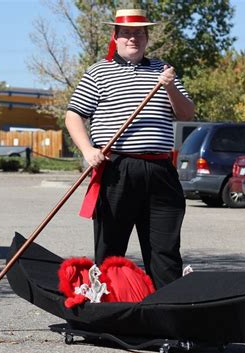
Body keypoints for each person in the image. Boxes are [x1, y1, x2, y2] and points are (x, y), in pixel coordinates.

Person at [65, 8, 195, 289]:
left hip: (160, 171)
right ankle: (108, 314)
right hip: (116, 170)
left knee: (165, 251)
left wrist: (169, 87)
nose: (132, 38)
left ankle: (168, 316)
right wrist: (88, 150)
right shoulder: (98, 72)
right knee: (110, 250)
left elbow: (186, 114)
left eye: (138, 33)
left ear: (147, 37)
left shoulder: (164, 71)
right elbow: (73, 115)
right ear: (116, 37)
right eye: (126, 33)